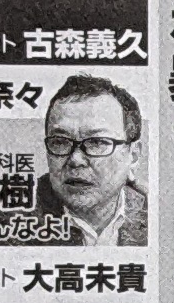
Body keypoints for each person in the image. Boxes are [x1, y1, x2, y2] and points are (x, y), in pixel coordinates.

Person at [31, 74, 150, 246]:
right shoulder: (12, 221)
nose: (75, 160)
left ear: (133, 156)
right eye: (60, 142)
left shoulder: (156, 215)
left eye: (97, 142)